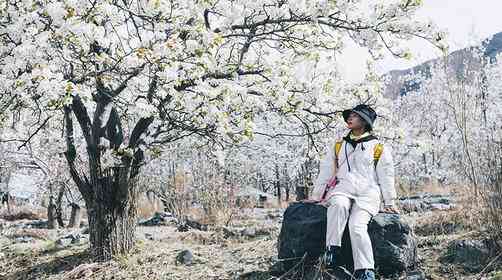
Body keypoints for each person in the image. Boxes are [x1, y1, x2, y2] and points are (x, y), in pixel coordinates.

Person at [311, 104, 399, 280]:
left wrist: (390, 201)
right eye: (349, 115)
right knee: (337, 205)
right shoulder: (338, 145)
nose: (349, 118)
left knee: (357, 225)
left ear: (365, 122)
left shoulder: (378, 147)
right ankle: (332, 250)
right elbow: (327, 170)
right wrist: (316, 195)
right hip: (343, 189)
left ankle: (365, 270)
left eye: (355, 116)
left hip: (368, 194)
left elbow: (386, 175)